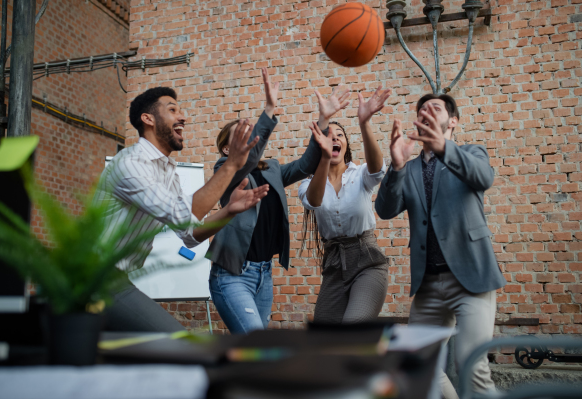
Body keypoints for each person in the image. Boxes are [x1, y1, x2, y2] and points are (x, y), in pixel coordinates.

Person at [94, 83, 270, 332]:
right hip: (94, 279)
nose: (183, 117)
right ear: (148, 119)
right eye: (173, 110)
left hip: (117, 279)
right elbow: (183, 214)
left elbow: (189, 234)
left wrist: (229, 210)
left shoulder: (167, 171)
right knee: (178, 343)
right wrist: (231, 165)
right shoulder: (131, 164)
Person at [375, 93, 506, 399]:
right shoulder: (407, 170)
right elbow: (384, 210)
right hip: (428, 285)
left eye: (435, 108)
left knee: (471, 368)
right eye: (421, 110)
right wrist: (395, 166)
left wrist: (443, 148)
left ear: (453, 121)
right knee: (417, 367)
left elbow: (483, 177)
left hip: (471, 279)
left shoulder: (471, 153)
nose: (426, 113)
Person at [207, 75, 351, 333]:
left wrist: (324, 120)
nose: (250, 138)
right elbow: (248, 160)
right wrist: (269, 110)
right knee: (255, 344)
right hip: (232, 274)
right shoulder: (224, 169)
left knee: (256, 352)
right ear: (227, 150)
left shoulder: (272, 167)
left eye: (250, 134)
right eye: (240, 137)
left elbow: (306, 164)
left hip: (264, 272)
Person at [298, 87, 391, 324]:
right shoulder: (309, 183)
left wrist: (364, 123)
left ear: (347, 144)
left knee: (352, 328)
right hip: (334, 264)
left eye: (340, 134)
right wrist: (325, 158)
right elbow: (314, 201)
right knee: (324, 339)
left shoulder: (359, 174)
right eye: (329, 134)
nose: (335, 137)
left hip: (367, 260)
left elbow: (378, 170)